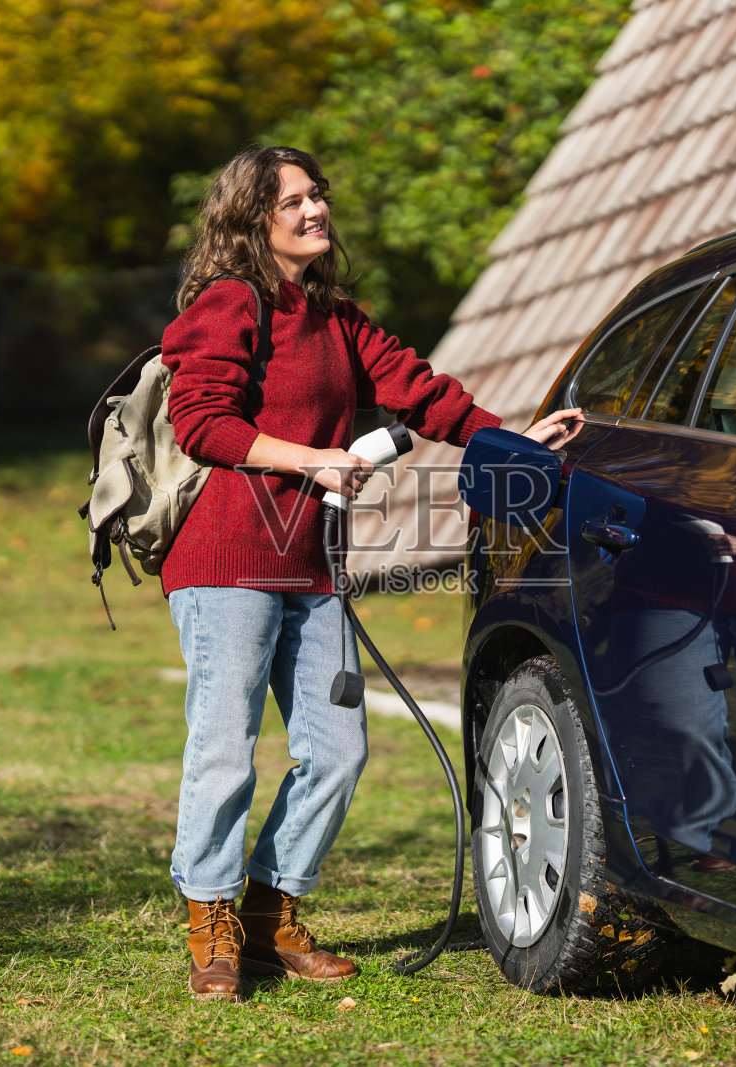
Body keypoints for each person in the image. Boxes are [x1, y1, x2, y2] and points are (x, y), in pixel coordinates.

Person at [160, 145, 580, 1002]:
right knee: (224, 747)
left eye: (318, 196)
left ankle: (273, 912)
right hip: (224, 560)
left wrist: (513, 439)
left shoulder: (336, 316)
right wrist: (311, 459)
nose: (316, 210)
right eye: (295, 202)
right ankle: (212, 927)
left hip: (310, 565)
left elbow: (422, 392)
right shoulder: (227, 305)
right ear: (253, 220)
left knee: (339, 748)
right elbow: (202, 421)